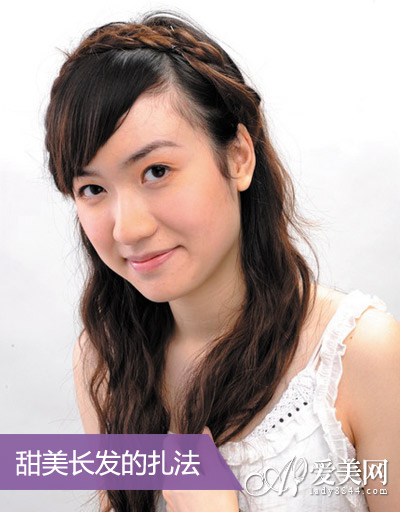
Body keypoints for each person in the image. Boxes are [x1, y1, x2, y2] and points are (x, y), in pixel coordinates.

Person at [45, 10, 400, 512]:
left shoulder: (360, 355)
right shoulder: (105, 358)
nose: (127, 228)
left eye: (156, 171)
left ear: (238, 157)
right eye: (93, 189)